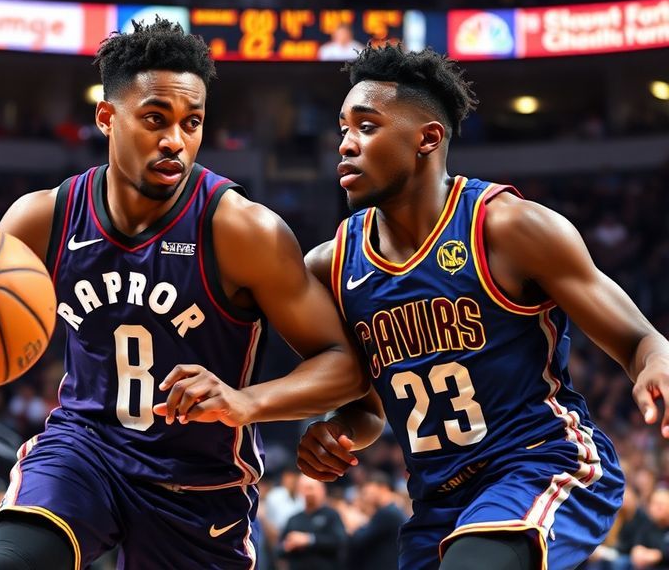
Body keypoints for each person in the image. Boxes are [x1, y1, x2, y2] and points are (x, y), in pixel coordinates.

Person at [0, 19, 366, 569]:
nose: (175, 140)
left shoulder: (242, 230)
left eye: (192, 122)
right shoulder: (44, 217)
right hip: (84, 452)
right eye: (155, 118)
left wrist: (246, 401)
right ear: (106, 117)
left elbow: (345, 365)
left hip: (197, 484)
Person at [296, 44, 669, 569]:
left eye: (367, 127)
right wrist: (337, 432)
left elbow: (639, 340)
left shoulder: (508, 227)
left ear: (428, 138)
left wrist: (656, 361)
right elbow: (369, 411)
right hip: (438, 505)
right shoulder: (331, 266)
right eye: (342, 129)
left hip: (539, 463)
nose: (345, 144)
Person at [277, 475, 346, 570]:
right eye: (304, 488)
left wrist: (309, 540)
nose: (308, 493)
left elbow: (340, 542)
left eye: (311, 488)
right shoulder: (294, 519)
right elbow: (278, 550)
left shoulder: (331, 515)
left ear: (322, 490)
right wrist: (288, 545)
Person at [347, 471, 407, 570]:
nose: (366, 497)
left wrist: (353, 526)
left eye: (369, 492)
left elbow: (359, 539)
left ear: (383, 488)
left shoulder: (387, 512)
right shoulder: (391, 510)